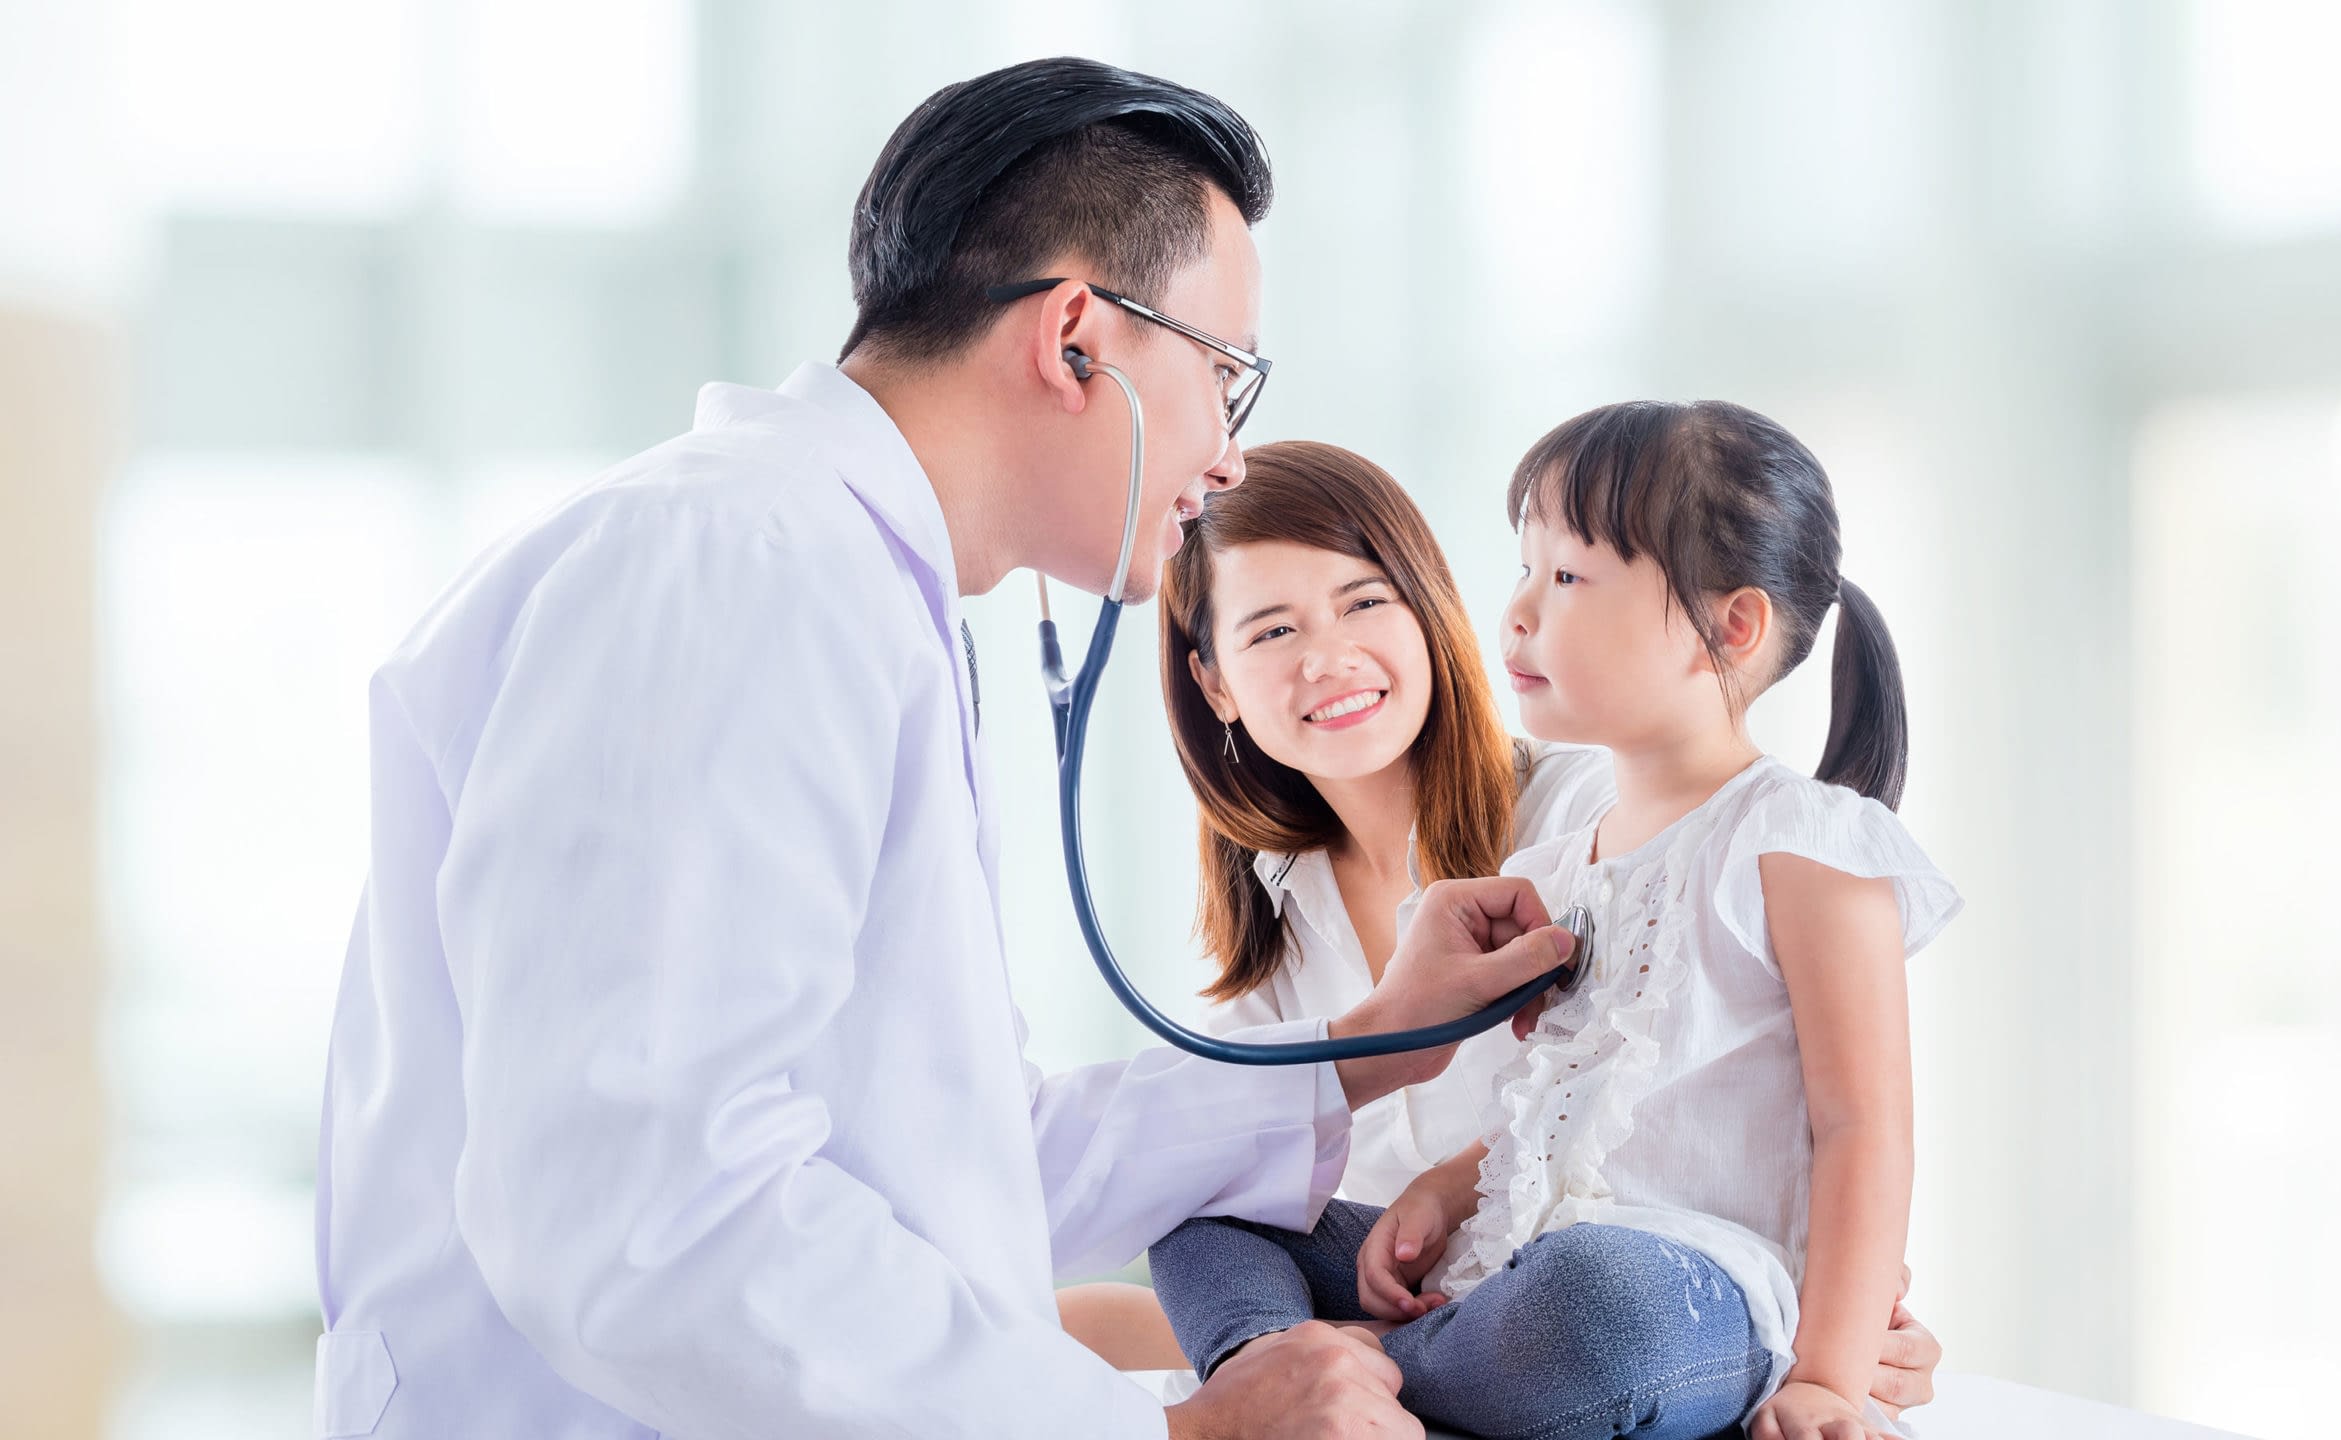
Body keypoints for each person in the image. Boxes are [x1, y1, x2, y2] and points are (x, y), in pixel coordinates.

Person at [310, 58, 1575, 1440]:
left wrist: (1366, 1047)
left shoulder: (830, 577)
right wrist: (1162, 1436)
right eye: (1223, 375)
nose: (1224, 455)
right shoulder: (744, 563)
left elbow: (952, 1157)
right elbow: (651, 1219)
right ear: (1077, 339)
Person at [1061, 441, 1943, 1418]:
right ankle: (1288, 1377)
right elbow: (1561, 1096)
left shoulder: (1618, 810)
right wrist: (1433, 1200)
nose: (1327, 657)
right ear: (1215, 683)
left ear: (1427, 609)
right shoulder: (1291, 918)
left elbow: (1811, 1120)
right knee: (1203, 1194)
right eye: (1271, 630)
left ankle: (1360, 1371)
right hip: (1480, 1271)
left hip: (1599, 1294)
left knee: (1596, 1304)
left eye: (1362, 602)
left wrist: (1835, 1346)